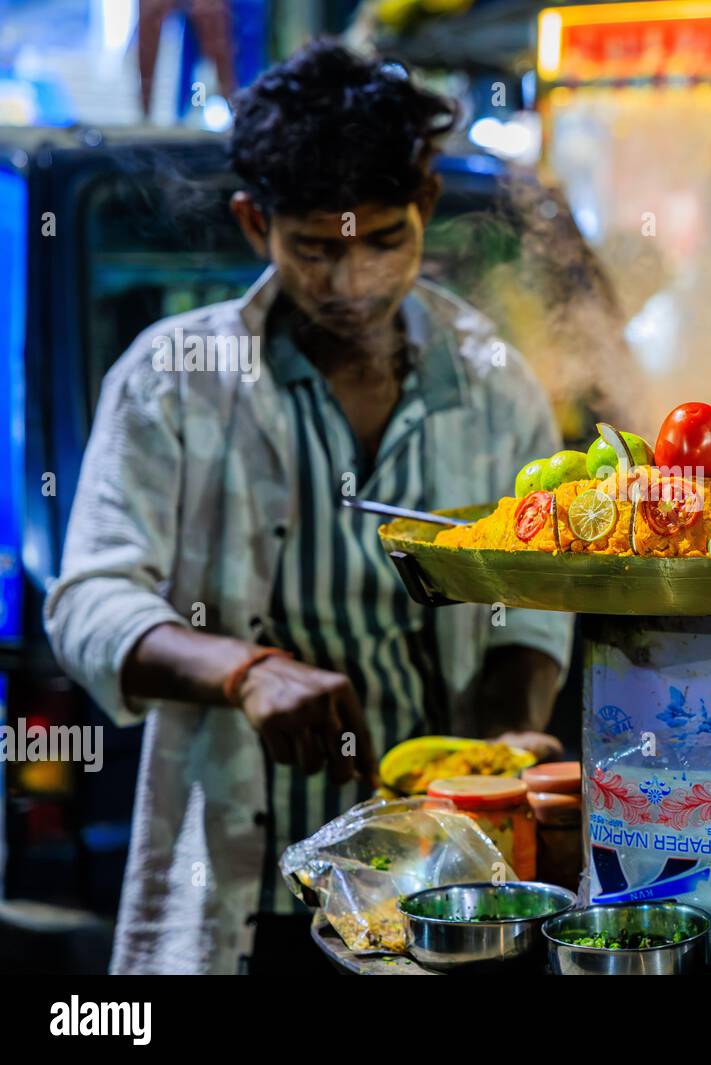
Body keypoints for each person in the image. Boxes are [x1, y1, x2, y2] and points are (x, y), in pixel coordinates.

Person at [45, 40, 573, 975]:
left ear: (426, 210)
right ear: (256, 223)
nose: (353, 283)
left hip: (440, 892)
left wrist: (501, 742)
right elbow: (89, 602)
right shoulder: (174, 380)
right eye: (317, 250)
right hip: (248, 901)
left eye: (383, 240)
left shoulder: (492, 380)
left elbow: (529, 601)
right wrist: (243, 672)